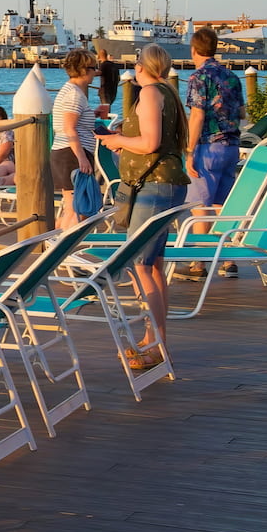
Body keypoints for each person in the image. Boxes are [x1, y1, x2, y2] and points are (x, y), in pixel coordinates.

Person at [95, 43, 188, 369]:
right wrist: (123, 138)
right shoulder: (167, 92)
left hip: (154, 186)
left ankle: (156, 344)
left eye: (136, 63)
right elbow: (157, 141)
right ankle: (154, 339)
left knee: (142, 266)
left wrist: (118, 141)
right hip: (164, 183)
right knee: (153, 266)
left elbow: (149, 143)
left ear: (143, 66)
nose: (134, 68)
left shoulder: (149, 93)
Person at [182, 26, 245, 281]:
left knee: (200, 206)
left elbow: (196, 115)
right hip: (231, 146)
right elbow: (241, 113)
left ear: (194, 49)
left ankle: (198, 263)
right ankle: (229, 258)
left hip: (207, 147)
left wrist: (188, 150)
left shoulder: (199, 78)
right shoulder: (231, 77)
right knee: (222, 205)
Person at [51, 48, 97, 231]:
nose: (96, 73)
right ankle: (65, 247)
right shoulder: (75, 94)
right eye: (94, 68)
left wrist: (92, 115)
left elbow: (72, 123)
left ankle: (56, 243)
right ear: (85, 70)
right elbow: (69, 128)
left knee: (70, 206)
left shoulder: (70, 91)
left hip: (65, 153)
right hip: (70, 155)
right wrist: (82, 158)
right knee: (77, 208)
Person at [96, 48, 121, 119]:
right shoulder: (114, 65)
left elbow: (98, 73)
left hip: (105, 91)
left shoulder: (103, 65)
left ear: (99, 56)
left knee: (105, 111)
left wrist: (88, 73)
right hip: (113, 90)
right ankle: (108, 125)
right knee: (107, 109)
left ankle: (106, 126)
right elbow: (118, 79)